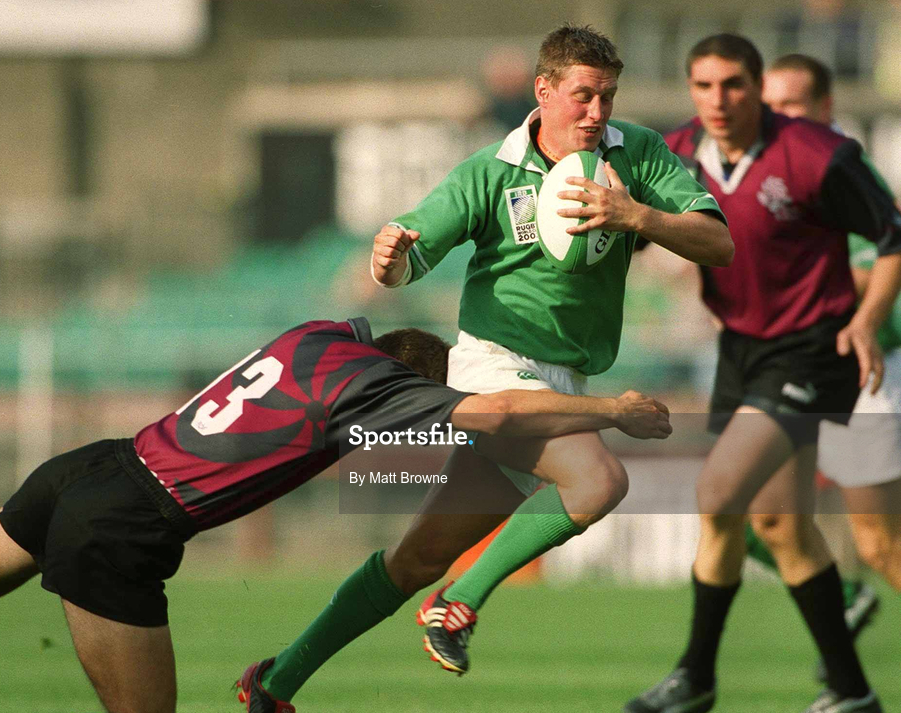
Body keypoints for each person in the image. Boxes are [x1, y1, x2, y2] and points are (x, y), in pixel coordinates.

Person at [237, 23, 732, 713]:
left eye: (607, 97)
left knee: (411, 560)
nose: (597, 112)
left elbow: (719, 242)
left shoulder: (638, 153)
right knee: (599, 479)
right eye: (583, 96)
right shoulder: (489, 172)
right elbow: (412, 249)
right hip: (493, 371)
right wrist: (391, 258)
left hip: (566, 379)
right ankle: (460, 601)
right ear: (544, 90)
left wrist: (636, 214)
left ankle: (275, 681)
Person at [0, 317, 672, 713]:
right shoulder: (380, 387)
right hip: (124, 526)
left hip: (90, 465)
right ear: (407, 379)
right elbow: (493, 410)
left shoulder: (319, 336)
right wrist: (611, 408)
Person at [626, 35, 901, 713]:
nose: (717, 100)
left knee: (719, 492)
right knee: (779, 524)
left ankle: (694, 677)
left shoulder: (815, 153)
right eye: (704, 85)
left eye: (733, 85)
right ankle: (851, 690)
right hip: (741, 349)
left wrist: (866, 320)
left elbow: (893, 236)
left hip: (813, 348)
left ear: (756, 86)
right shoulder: (676, 149)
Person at [761, 50, 900, 680]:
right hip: (805, 368)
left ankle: (848, 603)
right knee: (741, 504)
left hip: (864, 371)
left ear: (825, 109)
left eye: (792, 104)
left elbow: (876, 263)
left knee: (880, 544)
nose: (778, 115)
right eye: (772, 105)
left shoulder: (841, 170)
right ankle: (844, 603)